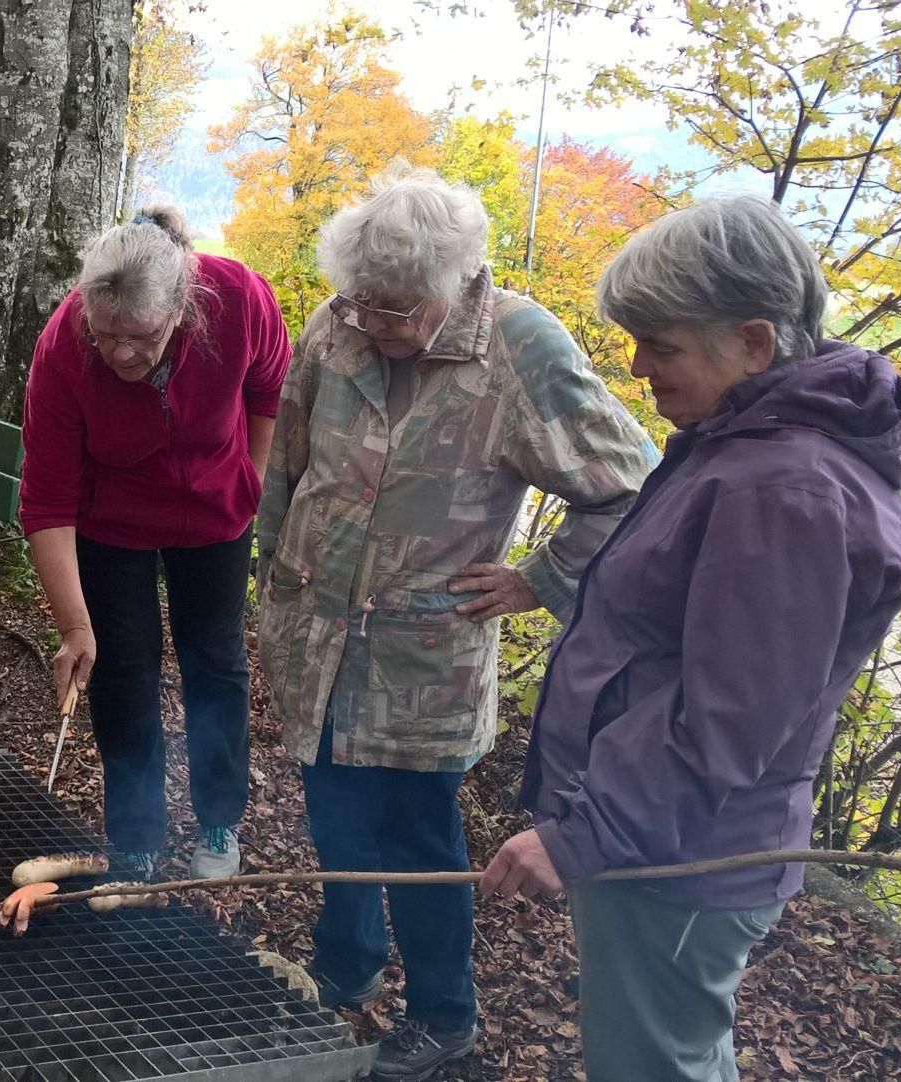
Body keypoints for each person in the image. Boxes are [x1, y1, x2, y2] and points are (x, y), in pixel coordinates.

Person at [481, 197, 901, 1081]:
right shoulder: (739, 444)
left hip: (685, 855)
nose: (639, 369)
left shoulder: (781, 489)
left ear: (755, 343)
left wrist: (585, 835)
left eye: (664, 346)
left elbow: (730, 719)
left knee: (653, 1065)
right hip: (666, 838)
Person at [256, 168, 658, 1080]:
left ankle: (443, 1015)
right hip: (315, 639)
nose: (378, 325)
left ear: (455, 284)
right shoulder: (338, 323)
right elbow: (288, 457)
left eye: (400, 311)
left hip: (422, 660)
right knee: (334, 820)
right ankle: (341, 971)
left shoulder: (520, 346)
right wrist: (273, 580)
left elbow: (633, 489)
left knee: (417, 843)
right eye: (364, 305)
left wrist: (541, 578)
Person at [19, 206, 290, 881]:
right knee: (122, 668)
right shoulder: (64, 346)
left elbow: (273, 388)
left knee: (216, 661)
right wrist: (73, 627)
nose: (119, 353)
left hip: (216, 512)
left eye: (137, 336)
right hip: (112, 518)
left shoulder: (236, 298)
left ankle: (219, 820)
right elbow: (47, 499)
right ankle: (135, 834)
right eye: (105, 335)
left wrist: (251, 479)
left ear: (181, 309)